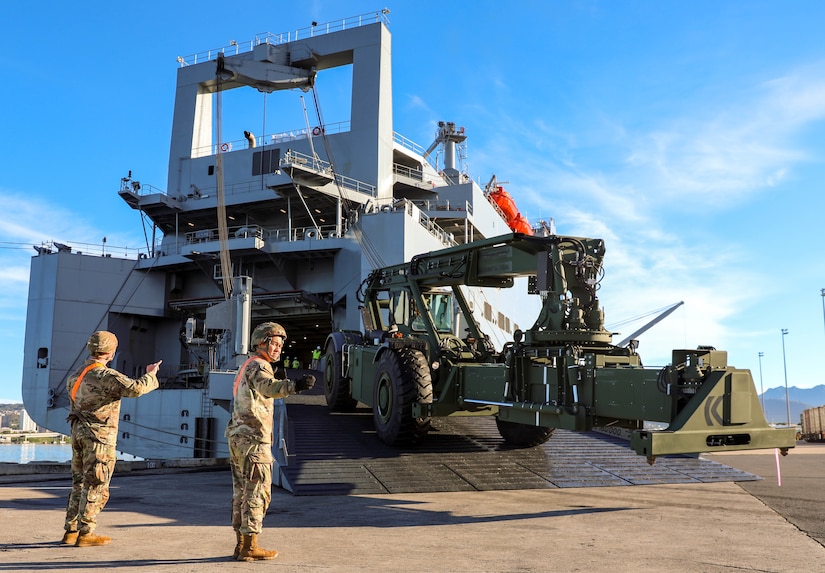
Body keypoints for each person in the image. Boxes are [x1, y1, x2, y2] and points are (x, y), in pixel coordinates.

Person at [63, 331, 161, 547]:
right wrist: (151, 375)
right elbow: (136, 389)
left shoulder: (76, 376)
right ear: (111, 351)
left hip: (79, 434)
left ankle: (71, 530)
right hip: (99, 438)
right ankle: (86, 533)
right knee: (97, 483)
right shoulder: (105, 376)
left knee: (79, 483)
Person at [226, 322, 315, 561]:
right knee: (258, 492)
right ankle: (250, 547)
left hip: (238, 437)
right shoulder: (259, 366)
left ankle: (241, 545)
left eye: (280, 345)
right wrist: (294, 385)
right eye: (274, 344)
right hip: (253, 440)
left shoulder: (247, 365)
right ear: (261, 343)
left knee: (242, 493)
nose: (278, 349)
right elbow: (269, 387)